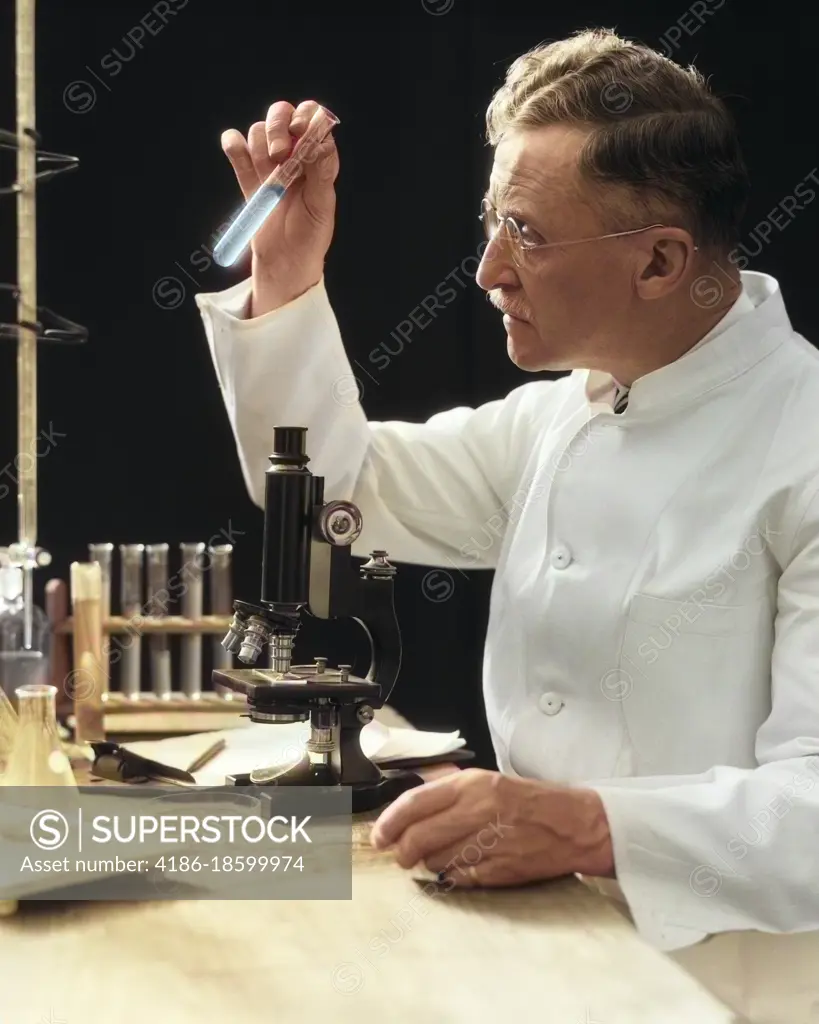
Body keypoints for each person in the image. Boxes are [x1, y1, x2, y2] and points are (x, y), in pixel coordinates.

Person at [196, 28, 819, 1021]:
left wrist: (586, 825)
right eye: (492, 219)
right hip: (542, 958)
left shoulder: (806, 441)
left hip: (733, 993)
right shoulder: (564, 416)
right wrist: (288, 273)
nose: (487, 269)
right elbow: (332, 490)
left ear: (661, 260)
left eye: (525, 231)